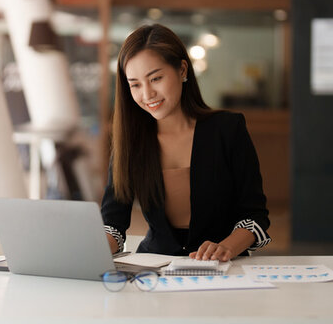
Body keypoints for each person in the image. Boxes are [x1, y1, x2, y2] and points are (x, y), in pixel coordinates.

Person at [101, 24, 270, 262]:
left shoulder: (228, 129)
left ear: (182, 70)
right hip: (154, 269)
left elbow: (255, 217)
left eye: (156, 78)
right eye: (135, 84)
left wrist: (227, 247)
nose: (147, 94)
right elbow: (113, 225)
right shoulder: (131, 142)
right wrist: (90, 252)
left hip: (223, 269)